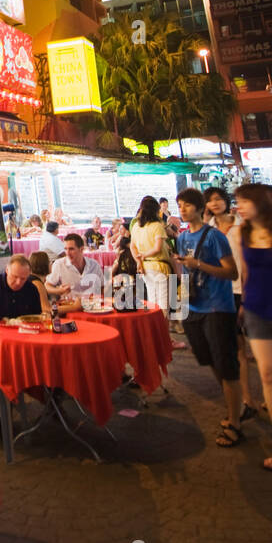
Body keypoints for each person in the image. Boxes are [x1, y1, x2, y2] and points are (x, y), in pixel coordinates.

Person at [174, 188, 241, 448]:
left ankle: (235, 423)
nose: (182, 209)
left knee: (227, 365)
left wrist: (198, 265)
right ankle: (231, 409)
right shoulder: (181, 238)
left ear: (199, 208)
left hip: (217, 307)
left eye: (188, 205)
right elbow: (182, 272)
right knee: (209, 359)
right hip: (193, 307)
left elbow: (231, 273)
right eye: (180, 205)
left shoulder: (214, 237)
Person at [206, 187, 263, 422]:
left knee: (260, 349)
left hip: (245, 292)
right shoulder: (208, 230)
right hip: (221, 295)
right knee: (237, 348)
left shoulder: (243, 225)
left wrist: (248, 295)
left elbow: (249, 263)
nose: (215, 203)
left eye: (219, 198)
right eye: (210, 201)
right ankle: (248, 399)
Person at [232, 183, 272, 470]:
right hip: (257, 309)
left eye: (244, 201)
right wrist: (244, 304)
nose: (239, 206)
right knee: (267, 375)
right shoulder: (243, 233)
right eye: (238, 202)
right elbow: (246, 272)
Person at [130, 195, 175, 323]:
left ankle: (155, 339)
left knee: (152, 304)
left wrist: (139, 260)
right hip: (159, 267)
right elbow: (158, 248)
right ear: (156, 210)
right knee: (163, 307)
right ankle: (165, 339)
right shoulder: (157, 226)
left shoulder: (136, 227)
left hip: (145, 268)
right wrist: (144, 255)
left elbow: (133, 248)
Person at [46, 233, 107, 298]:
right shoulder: (59, 264)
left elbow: (102, 287)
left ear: (81, 249)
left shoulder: (94, 265)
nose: (67, 253)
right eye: (65, 249)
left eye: (71, 249)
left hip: (91, 305)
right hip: (70, 306)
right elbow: (47, 286)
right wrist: (59, 290)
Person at [111, 237, 139, 306]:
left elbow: (114, 269)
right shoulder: (134, 253)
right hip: (133, 279)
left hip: (122, 279)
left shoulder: (120, 254)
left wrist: (112, 277)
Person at [27, 251, 54, 315]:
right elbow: (46, 309)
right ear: (44, 265)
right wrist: (74, 307)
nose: (51, 264)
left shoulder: (32, 279)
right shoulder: (37, 283)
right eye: (50, 262)